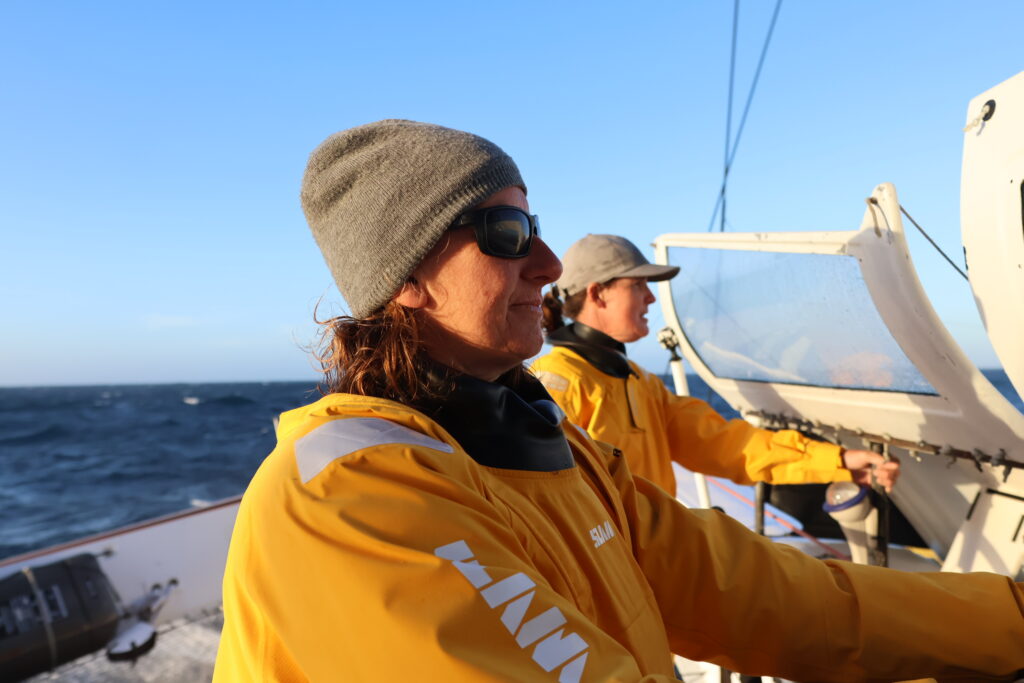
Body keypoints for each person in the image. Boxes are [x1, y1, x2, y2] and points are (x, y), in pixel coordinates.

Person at [213, 119, 1023, 682]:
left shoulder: (547, 444)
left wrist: (1010, 616)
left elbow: (770, 595)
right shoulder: (348, 498)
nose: (546, 263)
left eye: (535, 226)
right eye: (505, 234)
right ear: (406, 278)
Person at [533, 233, 900, 496]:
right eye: (638, 285)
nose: (650, 298)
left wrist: (838, 461)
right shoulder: (556, 386)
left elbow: (726, 445)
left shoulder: (640, 382)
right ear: (598, 293)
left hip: (647, 558)